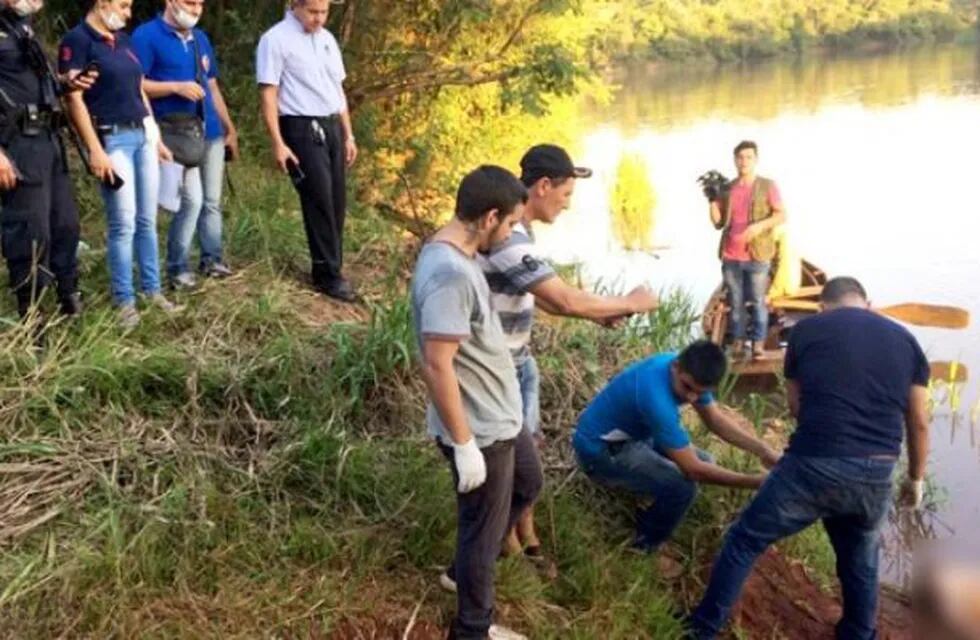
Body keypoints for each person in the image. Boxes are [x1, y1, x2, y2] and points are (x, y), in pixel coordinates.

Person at [688, 277, 931, 640]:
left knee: (744, 540)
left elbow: (795, 405)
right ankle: (859, 634)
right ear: (868, 303)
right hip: (878, 470)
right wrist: (915, 479)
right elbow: (920, 422)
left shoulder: (806, 332)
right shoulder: (907, 341)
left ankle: (703, 629)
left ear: (821, 307)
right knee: (860, 562)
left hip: (813, 463)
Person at [475, 144, 659, 569]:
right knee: (516, 466)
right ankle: (506, 549)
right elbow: (564, 300)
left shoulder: (517, 232)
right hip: (500, 369)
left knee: (531, 452)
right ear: (542, 186)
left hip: (521, 363)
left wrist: (599, 317)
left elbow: (534, 292)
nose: (568, 204)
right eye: (566, 194)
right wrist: (629, 303)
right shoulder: (509, 235)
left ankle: (526, 534)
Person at [411, 165, 540, 640]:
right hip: (481, 429)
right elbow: (437, 363)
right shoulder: (449, 274)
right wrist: (464, 444)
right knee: (483, 534)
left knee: (529, 483)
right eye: (508, 225)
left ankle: (464, 568)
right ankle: (472, 629)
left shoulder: (458, 252)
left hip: (501, 419)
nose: (509, 235)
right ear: (489, 217)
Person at [572, 340, 779, 553]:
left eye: (699, 393)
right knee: (682, 487)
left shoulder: (693, 371)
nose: (691, 398)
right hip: (599, 450)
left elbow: (715, 421)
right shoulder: (656, 399)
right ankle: (645, 544)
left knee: (708, 461)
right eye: (687, 387)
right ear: (676, 366)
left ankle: (652, 504)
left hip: (636, 435)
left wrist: (763, 450)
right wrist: (755, 482)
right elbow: (693, 470)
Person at [60, 0, 179, 329]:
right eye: (123, 5)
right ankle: (124, 300)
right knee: (122, 222)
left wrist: (155, 134)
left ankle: (152, 291)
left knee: (147, 219)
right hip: (112, 139)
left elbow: (139, 89)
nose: (127, 14)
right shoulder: (77, 41)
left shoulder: (123, 40)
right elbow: (74, 98)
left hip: (142, 135)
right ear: (101, 3)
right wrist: (95, 149)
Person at [256, 0, 358, 302]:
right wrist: (278, 142)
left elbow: (337, 90)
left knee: (337, 198)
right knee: (319, 197)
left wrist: (349, 134)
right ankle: (326, 273)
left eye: (324, 12)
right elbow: (269, 91)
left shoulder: (327, 40)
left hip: (331, 124)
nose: (319, 19)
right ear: (296, 6)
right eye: (313, 12)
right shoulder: (275, 40)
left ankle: (334, 264)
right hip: (300, 124)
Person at [133, 0, 238, 288]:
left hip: (209, 130)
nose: (195, 9)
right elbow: (135, 83)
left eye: (200, 4)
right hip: (175, 132)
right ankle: (177, 266)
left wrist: (229, 127)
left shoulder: (199, 38)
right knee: (189, 201)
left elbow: (212, 85)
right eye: (189, 2)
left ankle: (212, 258)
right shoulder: (146, 36)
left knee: (212, 200)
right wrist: (175, 87)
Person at [0, 0, 92, 319]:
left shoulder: (23, 29)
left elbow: (34, 84)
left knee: (65, 224)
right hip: (17, 143)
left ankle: (69, 296)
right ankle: (32, 314)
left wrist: (67, 83)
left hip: (49, 139)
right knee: (30, 229)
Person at [707, 140, 785, 361]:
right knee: (735, 302)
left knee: (759, 301)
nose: (744, 162)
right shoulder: (728, 188)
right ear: (735, 160)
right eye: (740, 158)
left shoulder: (767, 185)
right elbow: (718, 222)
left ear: (756, 160)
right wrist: (712, 201)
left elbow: (781, 215)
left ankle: (758, 345)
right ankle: (739, 343)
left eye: (749, 157)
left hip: (758, 255)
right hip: (731, 256)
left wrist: (758, 226)